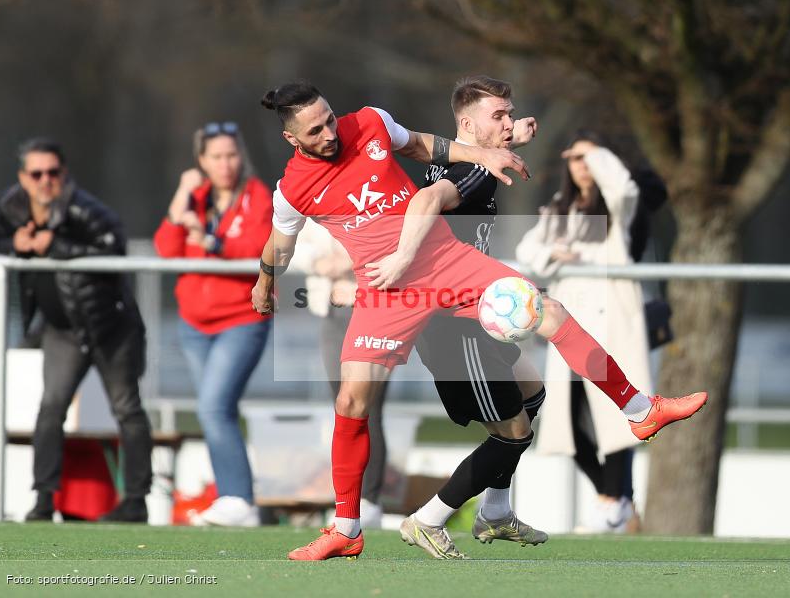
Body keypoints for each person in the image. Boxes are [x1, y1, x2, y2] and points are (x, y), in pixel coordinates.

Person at [251, 80, 707, 561]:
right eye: (316, 129)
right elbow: (280, 244)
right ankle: (346, 528)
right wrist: (264, 281)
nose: (330, 132)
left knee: (549, 311)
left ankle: (639, 410)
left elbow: (425, 144)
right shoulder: (292, 190)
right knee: (351, 398)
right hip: (386, 288)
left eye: (328, 118)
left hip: (445, 259)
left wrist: (479, 154)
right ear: (291, 139)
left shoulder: (368, 121)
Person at [402, 75, 550, 559]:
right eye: (498, 116)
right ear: (467, 124)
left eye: (510, 114)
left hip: (476, 319)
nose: (507, 124)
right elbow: (429, 200)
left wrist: (513, 137)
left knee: (533, 393)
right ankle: (430, 518)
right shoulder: (469, 172)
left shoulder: (476, 160)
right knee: (513, 435)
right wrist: (404, 260)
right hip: (454, 326)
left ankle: (496, 511)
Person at [0, 138, 152, 523]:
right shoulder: (8, 209)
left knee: (127, 409)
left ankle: (135, 501)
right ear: (23, 179)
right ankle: (43, 500)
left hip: (111, 326)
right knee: (50, 409)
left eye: (53, 172)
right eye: (37, 174)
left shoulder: (88, 210)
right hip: (61, 328)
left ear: (64, 174)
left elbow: (115, 250)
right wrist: (13, 244)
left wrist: (57, 246)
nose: (45, 181)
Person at [516, 129, 651, 533]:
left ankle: (614, 502)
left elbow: (623, 187)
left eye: (589, 159)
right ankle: (615, 497)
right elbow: (527, 251)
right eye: (576, 159)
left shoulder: (615, 208)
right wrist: (552, 253)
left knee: (618, 411)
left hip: (611, 324)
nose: (583, 167)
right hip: (570, 327)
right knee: (566, 420)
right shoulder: (558, 210)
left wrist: (596, 151)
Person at [154, 122, 273, 527]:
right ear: (201, 162)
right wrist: (181, 197)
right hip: (194, 324)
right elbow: (166, 249)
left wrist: (211, 242)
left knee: (213, 406)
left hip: (241, 318)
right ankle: (234, 500)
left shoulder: (258, 196)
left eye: (231, 155)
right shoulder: (197, 196)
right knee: (214, 411)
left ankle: (239, 499)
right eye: (216, 157)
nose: (225, 164)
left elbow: (259, 248)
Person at [292, 221, 389, 527]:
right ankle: (347, 501)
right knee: (344, 408)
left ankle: (369, 500)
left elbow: (396, 242)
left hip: (374, 308)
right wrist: (319, 262)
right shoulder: (315, 199)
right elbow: (285, 242)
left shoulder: (376, 196)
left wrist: (353, 258)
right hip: (333, 310)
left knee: (368, 408)